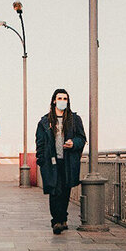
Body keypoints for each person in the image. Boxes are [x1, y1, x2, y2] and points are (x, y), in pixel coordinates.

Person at [35, 88, 87, 235]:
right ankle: (56, 221)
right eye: (60, 98)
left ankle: (63, 218)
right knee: (54, 191)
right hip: (51, 162)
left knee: (65, 191)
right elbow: (40, 143)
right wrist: (42, 161)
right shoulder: (44, 122)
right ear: (54, 100)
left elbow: (82, 138)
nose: (62, 101)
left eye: (65, 99)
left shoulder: (74, 120)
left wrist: (73, 143)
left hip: (68, 161)